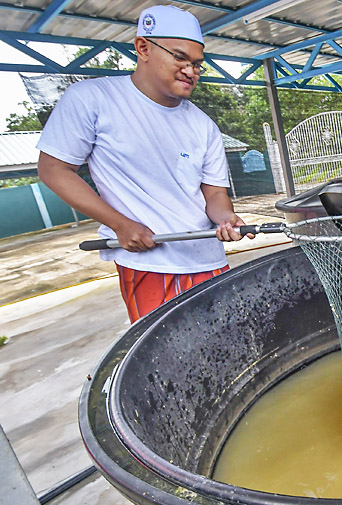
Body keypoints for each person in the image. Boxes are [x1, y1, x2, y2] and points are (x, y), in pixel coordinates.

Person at [37, 5, 253, 323]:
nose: (190, 71)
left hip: (208, 259)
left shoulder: (203, 125)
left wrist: (226, 220)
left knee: (228, 350)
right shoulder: (92, 99)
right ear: (143, 48)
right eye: (180, 57)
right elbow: (53, 169)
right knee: (168, 361)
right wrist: (120, 225)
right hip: (150, 266)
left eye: (197, 64)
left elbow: (214, 195)